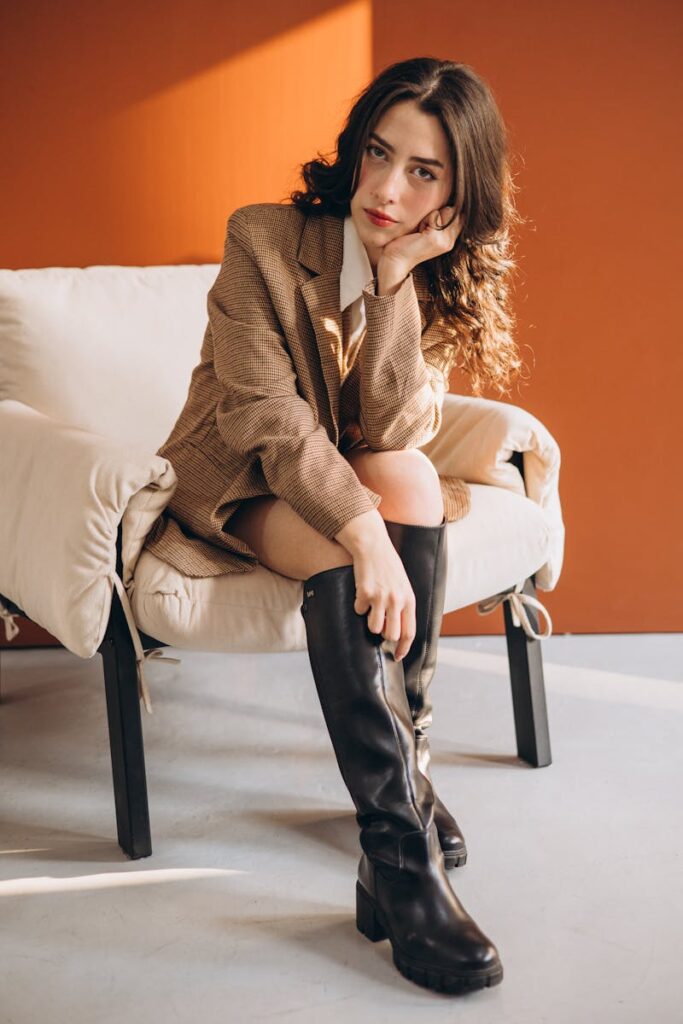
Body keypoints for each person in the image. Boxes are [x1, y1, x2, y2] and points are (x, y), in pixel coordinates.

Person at [143, 55, 524, 994]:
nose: (387, 190)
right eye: (377, 154)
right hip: (236, 474)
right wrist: (363, 539)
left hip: (344, 464)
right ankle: (401, 855)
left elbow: (391, 433)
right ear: (356, 149)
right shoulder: (263, 240)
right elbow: (269, 421)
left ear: (455, 194)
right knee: (358, 533)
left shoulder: (426, 262)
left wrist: (393, 283)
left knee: (414, 483)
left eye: (423, 173)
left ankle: (403, 791)